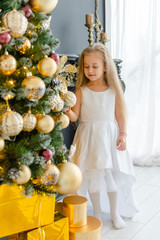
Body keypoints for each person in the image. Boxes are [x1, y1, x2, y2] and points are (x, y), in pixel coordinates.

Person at [65, 43, 138, 229]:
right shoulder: (81, 90)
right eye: (86, 66)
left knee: (110, 178)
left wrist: (123, 134)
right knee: (92, 179)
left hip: (107, 138)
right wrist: (65, 109)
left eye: (95, 66)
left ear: (105, 66)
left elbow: (120, 115)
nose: (90, 70)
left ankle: (114, 214)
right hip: (88, 138)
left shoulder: (113, 90)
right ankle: (96, 212)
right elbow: (75, 116)